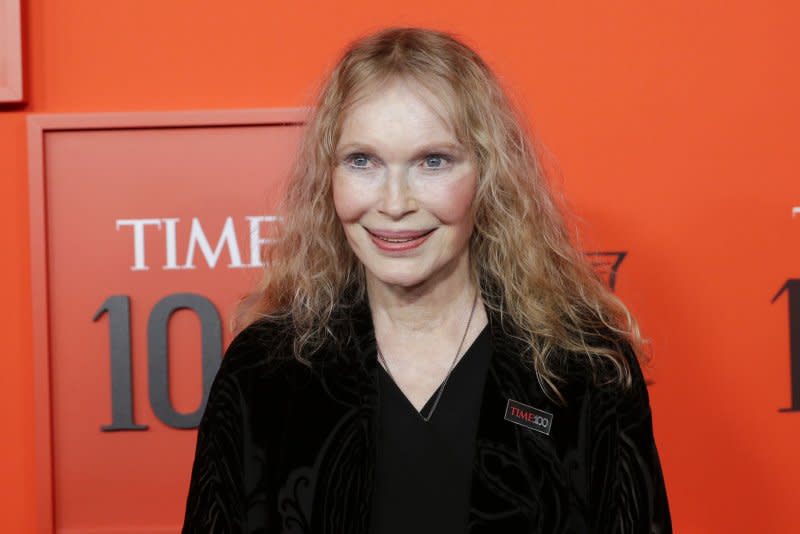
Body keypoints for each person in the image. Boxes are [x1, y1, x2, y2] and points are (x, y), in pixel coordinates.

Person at [181, 26, 672, 533]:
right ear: (329, 178)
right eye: (362, 161)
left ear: (488, 176)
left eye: (432, 161)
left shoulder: (582, 370)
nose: (395, 204)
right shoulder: (264, 371)